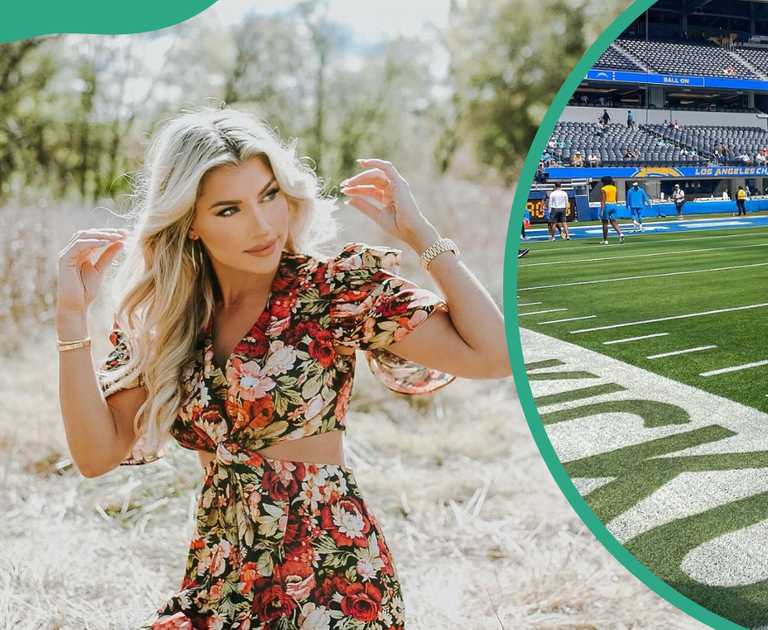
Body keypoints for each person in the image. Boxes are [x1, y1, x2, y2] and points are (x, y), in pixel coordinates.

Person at [55, 108, 508, 628]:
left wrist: (422, 236)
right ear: (190, 223)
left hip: (332, 584)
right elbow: (95, 456)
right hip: (220, 584)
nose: (263, 224)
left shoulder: (331, 292)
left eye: (269, 195)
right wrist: (71, 318)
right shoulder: (167, 320)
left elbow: (495, 356)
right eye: (229, 209)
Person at [598, 176, 624, 244]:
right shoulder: (614, 188)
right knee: (613, 221)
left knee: (605, 223)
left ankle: (605, 240)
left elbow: (603, 200)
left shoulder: (603, 188)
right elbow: (616, 197)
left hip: (607, 205)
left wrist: (601, 210)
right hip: (614, 205)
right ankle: (620, 233)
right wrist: (615, 203)